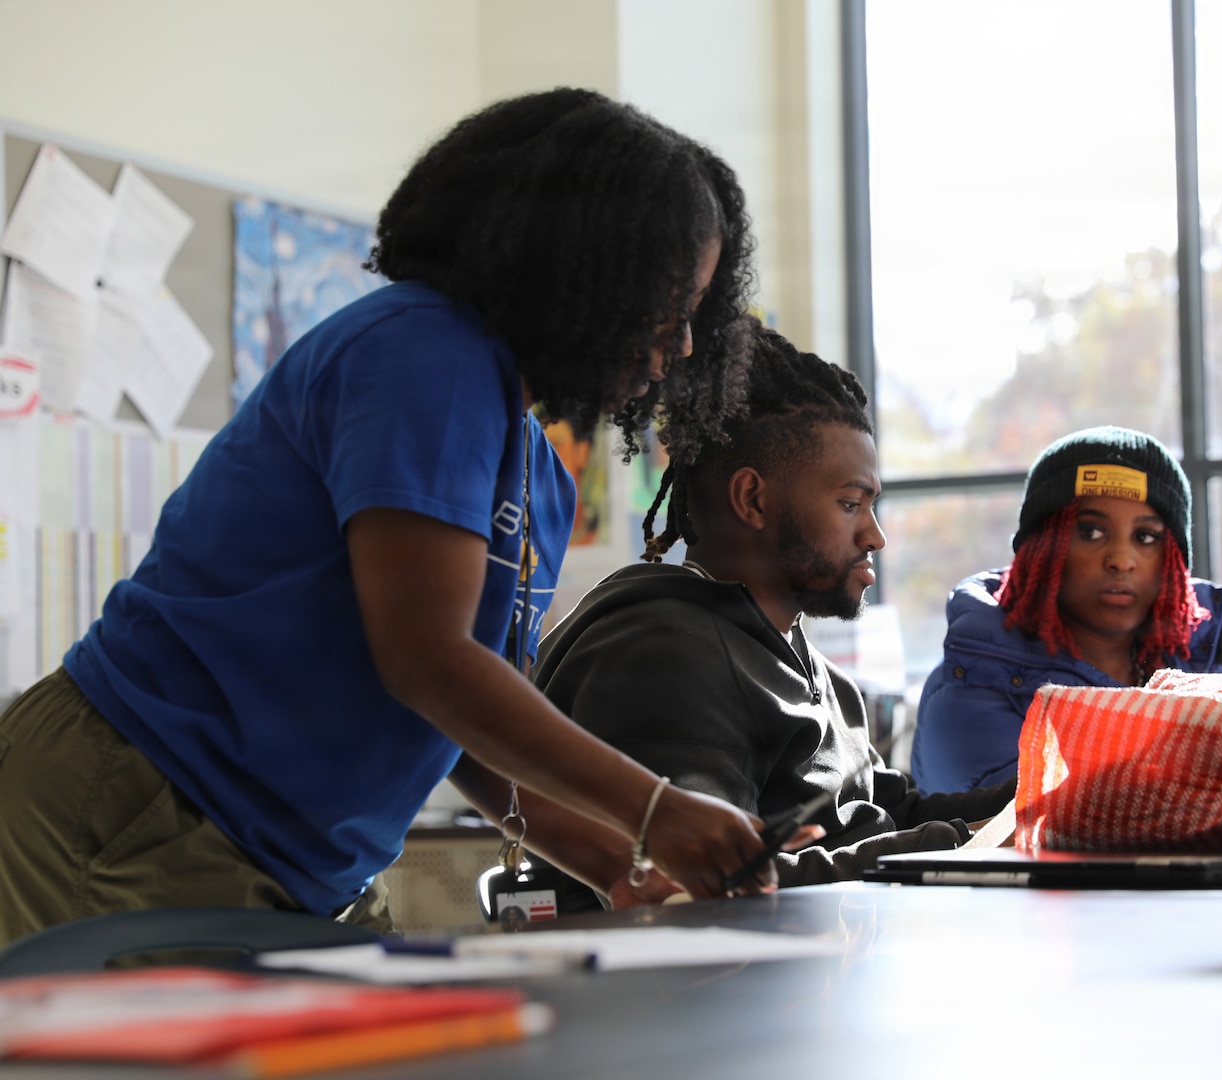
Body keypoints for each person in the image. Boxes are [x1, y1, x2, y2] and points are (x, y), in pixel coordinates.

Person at [0, 89, 777, 946]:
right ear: (580, 263)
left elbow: (463, 727)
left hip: (287, 861)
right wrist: (656, 809)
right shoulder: (424, 352)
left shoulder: (539, 474)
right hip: (143, 801)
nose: (685, 344)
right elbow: (429, 662)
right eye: (671, 303)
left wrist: (614, 865)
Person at [526, 321, 1014, 908]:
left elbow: (891, 811)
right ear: (753, 499)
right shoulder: (664, 656)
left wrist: (1038, 799)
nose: (875, 536)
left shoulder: (810, 669)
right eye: (849, 504)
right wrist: (957, 844)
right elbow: (711, 891)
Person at [909, 426, 1222, 796]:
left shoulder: (1196, 666)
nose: (1121, 560)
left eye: (1145, 537)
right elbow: (1064, 822)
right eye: (1091, 532)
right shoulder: (969, 688)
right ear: (1040, 550)